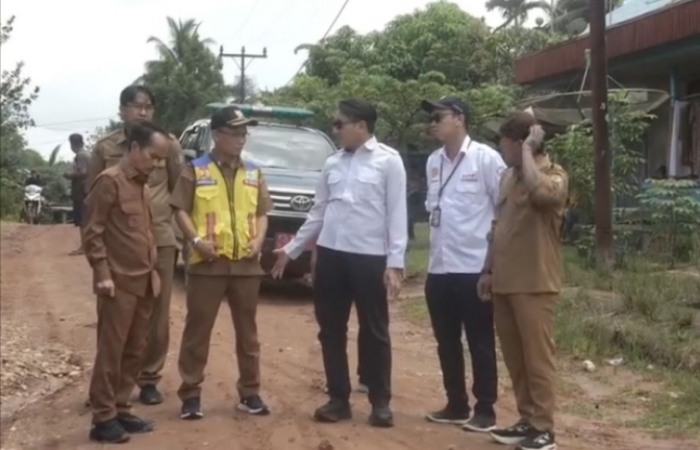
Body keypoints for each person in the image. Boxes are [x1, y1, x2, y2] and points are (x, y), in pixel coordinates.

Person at [271, 99, 407, 428]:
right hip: (332, 254)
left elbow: (397, 214)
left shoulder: (389, 161)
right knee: (331, 329)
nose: (335, 130)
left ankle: (380, 401)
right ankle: (338, 398)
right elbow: (318, 212)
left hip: (369, 256)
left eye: (339, 124)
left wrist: (395, 262)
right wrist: (292, 249)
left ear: (361, 126)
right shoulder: (332, 163)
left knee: (375, 329)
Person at [172, 105, 272, 420]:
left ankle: (250, 393)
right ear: (217, 135)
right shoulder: (195, 170)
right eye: (235, 133)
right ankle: (191, 394)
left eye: (244, 133)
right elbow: (180, 209)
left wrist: (259, 239)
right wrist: (196, 241)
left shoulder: (254, 172)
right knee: (198, 331)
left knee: (248, 333)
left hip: (246, 264)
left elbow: (262, 213)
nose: (241, 139)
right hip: (208, 263)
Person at [87, 85, 183, 406]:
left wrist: (184, 237)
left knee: (154, 318)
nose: (143, 111)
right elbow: (93, 205)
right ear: (122, 109)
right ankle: (107, 391)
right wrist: (99, 264)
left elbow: (180, 192)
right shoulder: (106, 152)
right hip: (120, 247)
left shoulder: (168, 145)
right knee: (114, 322)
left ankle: (146, 380)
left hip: (159, 241)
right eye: (136, 106)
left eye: (149, 106)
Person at [478, 112, 567, 450]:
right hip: (505, 281)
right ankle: (527, 419)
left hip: (535, 283)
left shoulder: (554, 175)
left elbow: (542, 195)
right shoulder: (508, 177)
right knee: (516, 359)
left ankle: (544, 427)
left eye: (505, 143)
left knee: (537, 360)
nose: (501, 149)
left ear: (520, 143)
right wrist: (487, 270)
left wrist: (529, 151)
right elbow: (498, 226)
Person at [420, 97, 505, 433]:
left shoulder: (485, 159)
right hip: (439, 267)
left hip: (473, 267)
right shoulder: (433, 162)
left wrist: (491, 267)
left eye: (438, 117)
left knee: (480, 340)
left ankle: (485, 408)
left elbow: (503, 211)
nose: (433, 123)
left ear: (459, 119)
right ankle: (456, 403)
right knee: (446, 340)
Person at [83, 120, 170, 443]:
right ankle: (103, 418)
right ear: (134, 148)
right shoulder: (110, 182)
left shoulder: (142, 186)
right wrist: (102, 274)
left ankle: (121, 407)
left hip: (144, 282)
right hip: (118, 284)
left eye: (161, 159)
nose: (156, 164)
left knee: (135, 349)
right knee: (112, 351)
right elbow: (92, 232)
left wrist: (154, 272)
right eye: (153, 156)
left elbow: (143, 234)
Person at [63, 133, 90, 255]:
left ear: (72, 144)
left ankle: (84, 247)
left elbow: (83, 172)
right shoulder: (88, 154)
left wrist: (69, 175)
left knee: (82, 220)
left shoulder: (80, 156)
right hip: (88, 190)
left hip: (82, 191)